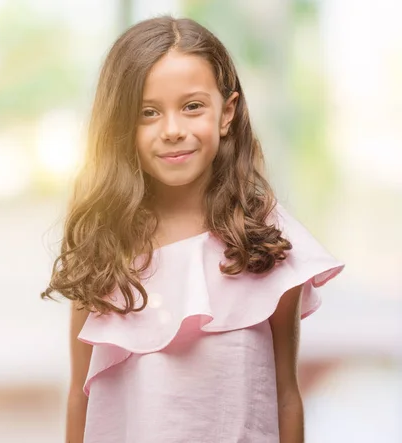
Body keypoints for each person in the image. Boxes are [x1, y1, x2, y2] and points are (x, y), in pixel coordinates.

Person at [41, 16, 344, 443]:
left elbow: (286, 395)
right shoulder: (104, 247)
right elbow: (79, 395)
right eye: (148, 112)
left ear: (227, 113)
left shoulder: (265, 240)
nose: (172, 130)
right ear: (120, 125)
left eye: (192, 106)